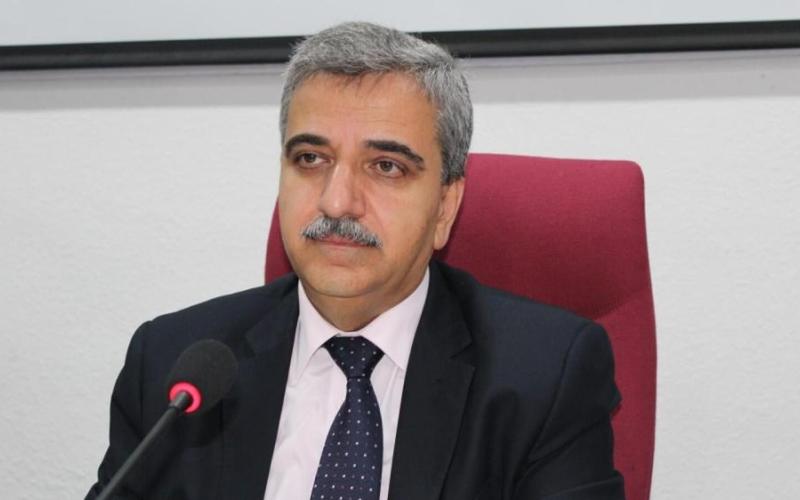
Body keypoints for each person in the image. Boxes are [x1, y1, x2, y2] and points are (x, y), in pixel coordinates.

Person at [86, 21, 624, 500]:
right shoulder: (174, 368)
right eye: (310, 158)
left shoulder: (544, 379)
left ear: (445, 206)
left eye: (386, 166)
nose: (336, 202)